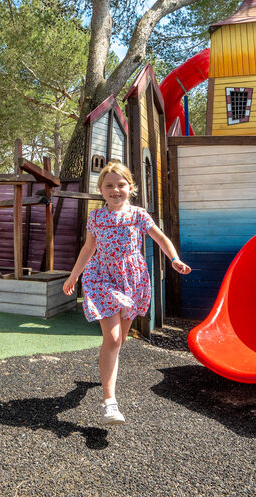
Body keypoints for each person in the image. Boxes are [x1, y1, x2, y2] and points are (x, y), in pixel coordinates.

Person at [62, 161, 191, 426]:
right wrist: (74, 275)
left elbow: (161, 238)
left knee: (118, 341)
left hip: (132, 279)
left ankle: (101, 380)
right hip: (101, 277)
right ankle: (110, 403)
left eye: (121, 185)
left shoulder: (139, 215)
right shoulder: (96, 217)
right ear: (101, 190)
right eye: (109, 185)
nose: (115, 190)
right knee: (112, 339)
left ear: (130, 188)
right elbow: (88, 249)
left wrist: (174, 259)